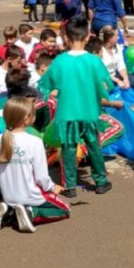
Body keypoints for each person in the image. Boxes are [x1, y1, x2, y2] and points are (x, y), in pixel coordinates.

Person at [39, 20, 114, 197]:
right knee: (94, 145)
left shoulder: (59, 61)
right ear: (87, 37)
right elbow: (106, 84)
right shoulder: (94, 61)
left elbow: (45, 84)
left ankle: (70, 185)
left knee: (68, 148)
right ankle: (101, 181)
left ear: (65, 37)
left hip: (67, 111)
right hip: (89, 110)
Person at [0, 96, 70, 232]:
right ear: (27, 118)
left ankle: (9, 212)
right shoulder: (34, 142)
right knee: (64, 209)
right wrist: (52, 187)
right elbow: (41, 177)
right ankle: (31, 212)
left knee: (19, 201)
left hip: (8, 195)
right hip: (29, 196)